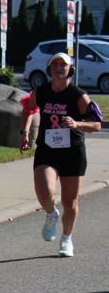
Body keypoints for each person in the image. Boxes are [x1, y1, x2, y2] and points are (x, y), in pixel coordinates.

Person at [20, 52, 102, 257]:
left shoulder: (78, 95)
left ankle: (66, 239)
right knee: (44, 191)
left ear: (70, 69)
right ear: (50, 69)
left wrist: (77, 124)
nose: (59, 68)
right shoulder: (41, 91)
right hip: (47, 149)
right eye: (55, 65)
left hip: (73, 151)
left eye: (63, 65)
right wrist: (25, 133)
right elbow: (28, 109)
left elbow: (96, 125)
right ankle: (51, 214)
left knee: (69, 201)